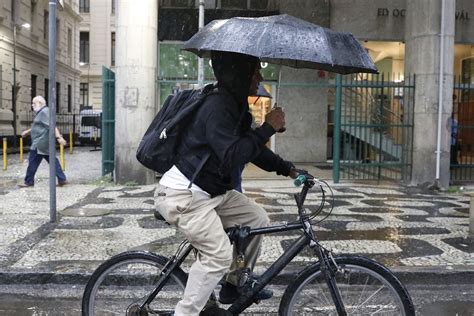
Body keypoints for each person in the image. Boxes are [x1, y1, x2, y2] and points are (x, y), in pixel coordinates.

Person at [155, 51, 298, 315]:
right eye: (255, 71)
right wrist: (267, 127)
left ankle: (233, 284)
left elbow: (252, 149)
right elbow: (233, 154)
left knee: (256, 219)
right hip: (184, 194)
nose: (260, 77)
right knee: (218, 254)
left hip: (212, 192)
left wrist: (288, 169)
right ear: (239, 73)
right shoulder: (217, 107)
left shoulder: (235, 107)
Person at [19, 95, 67, 187]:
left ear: (40, 103)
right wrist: (28, 131)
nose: (32, 105)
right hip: (45, 143)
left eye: (34, 103)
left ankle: (28, 181)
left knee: (32, 162)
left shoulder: (44, 112)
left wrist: (59, 137)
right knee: (53, 161)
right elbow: (40, 126)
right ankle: (62, 179)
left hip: (40, 143)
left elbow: (51, 126)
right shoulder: (43, 111)